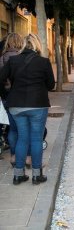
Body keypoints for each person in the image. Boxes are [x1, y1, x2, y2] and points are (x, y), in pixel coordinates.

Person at [0, 34, 55, 185]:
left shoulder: (13, 60)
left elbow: (0, 79)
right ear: (37, 45)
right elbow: (51, 85)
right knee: (36, 139)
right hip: (38, 105)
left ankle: (18, 175)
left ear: (23, 45)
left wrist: (7, 95)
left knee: (22, 138)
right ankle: (37, 175)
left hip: (16, 106)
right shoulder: (43, 62)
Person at [0, 33, 24, 167]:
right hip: (22, 97)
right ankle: (26, 157)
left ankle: (14, 156)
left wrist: (4, 95)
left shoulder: (2, 58)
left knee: (12, 129)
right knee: (23, 129)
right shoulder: (23, 58)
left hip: (7, 97)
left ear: (8, 42)